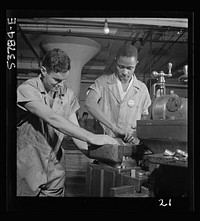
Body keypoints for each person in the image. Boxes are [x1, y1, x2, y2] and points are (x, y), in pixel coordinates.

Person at [17, 48, 119, 197]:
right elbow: (51, 118)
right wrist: (93, 137)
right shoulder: (26, 90)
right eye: (57, 80)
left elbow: (75, 131)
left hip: (55, 169)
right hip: (28, 168)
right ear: (43, 70)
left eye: (64, 80)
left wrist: (99, 156)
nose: (61, 85)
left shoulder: (68, 95)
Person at [84, 44, 151, 144]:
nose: (125, 72)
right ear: (115, 61)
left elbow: (146, 117)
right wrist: (114, 128)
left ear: (136, 64)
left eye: (130, 68)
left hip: (131, 146)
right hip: (106, 145)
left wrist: (136, 133)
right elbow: (89, 103)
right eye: (121, 67)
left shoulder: (142, 89)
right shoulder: (102, 82)